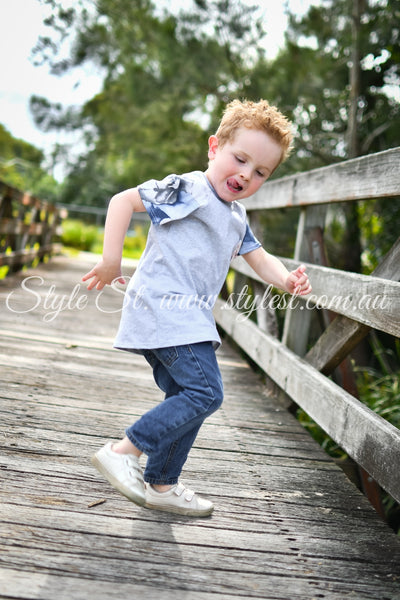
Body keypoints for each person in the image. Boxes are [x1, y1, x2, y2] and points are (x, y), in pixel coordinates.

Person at [82, 99, 312, 517]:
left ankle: (161, 482)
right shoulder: (188, 189)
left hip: (188, 317)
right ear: (214, 147)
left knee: (185, 396)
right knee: (206, 392)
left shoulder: (236, 217)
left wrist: (287, 279)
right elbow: (122, 201)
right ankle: (124, 450)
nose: (245, 174)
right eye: (239, 159)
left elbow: (259, 259)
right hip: (164, 308)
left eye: (260, 171)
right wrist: (111, 259)